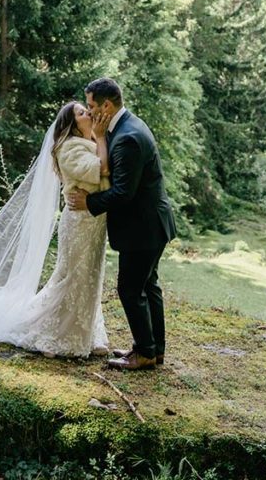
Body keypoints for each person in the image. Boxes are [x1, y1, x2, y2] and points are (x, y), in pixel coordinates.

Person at [0, 101, 112, 358]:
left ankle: (87, 333)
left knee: (91, 277)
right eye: (82, 113)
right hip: (79, 224)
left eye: (86, 109)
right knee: (72, 276)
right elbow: (102, 170)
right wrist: (102, 137)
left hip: (96, 223)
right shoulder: (69, 148)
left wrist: (98, 138)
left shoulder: (91, 143)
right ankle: (55, 334)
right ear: (72, 125)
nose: (88, 113)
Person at [67, 77, 177, 370]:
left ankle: (145, 353)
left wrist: (88, 203)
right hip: (152, 223)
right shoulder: (126, 125)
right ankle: (153, 349)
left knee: (130, 289)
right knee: (148, 286)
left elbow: (122, 193)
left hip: (142, 227)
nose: (89, 113)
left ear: (106, 105)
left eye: (91, 106)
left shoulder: (127, 137)